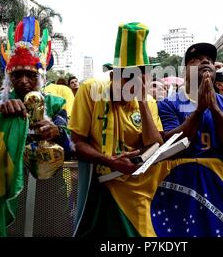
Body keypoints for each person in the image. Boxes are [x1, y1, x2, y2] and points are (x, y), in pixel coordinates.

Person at [70, 23, 163, 237]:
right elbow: (76, 142)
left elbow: (154, 145)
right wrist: (110, 161)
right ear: (113, 77)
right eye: (127, 77)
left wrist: (141, 101)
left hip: (136, 192)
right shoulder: (90, 90)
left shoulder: (147, 101)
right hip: (98, 189)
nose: (133, 84)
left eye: (139, 78)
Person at [0, 17, 72, 159]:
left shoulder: (56, 103)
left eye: (30, 75)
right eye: (17, 75)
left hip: (46, 177)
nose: (24, 81)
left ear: (40, 77)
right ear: (9, 78)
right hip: (3, 173)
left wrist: (57, 133)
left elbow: (71, 146)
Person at [158, 43, 223, 159]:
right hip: (182, 175)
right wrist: (199, 111)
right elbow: (169, 148)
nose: (206, 61)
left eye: (210, 60)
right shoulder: (167, 104)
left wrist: (216, 110)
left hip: (221, 176)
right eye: (196, 59)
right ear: (185, 71)